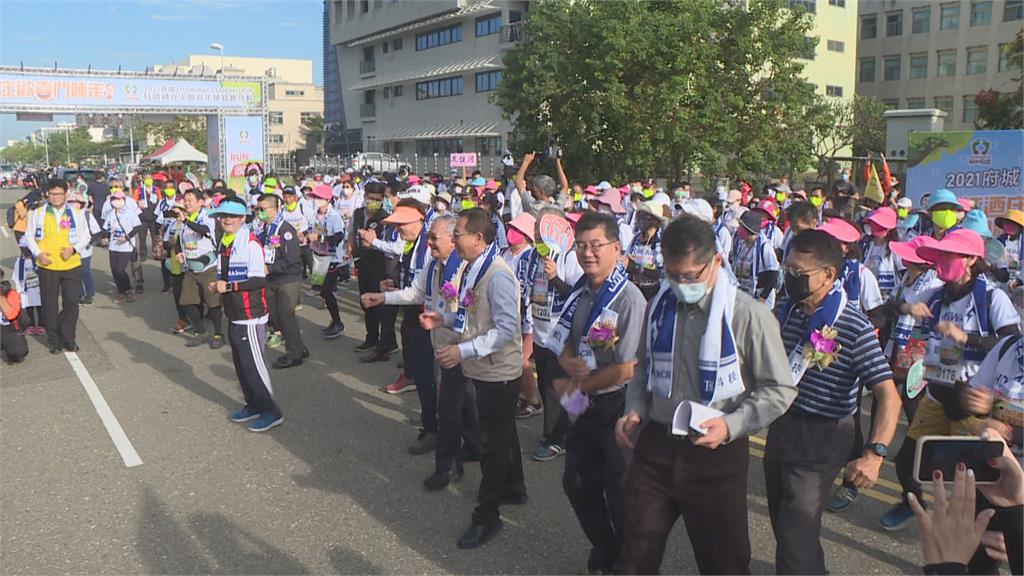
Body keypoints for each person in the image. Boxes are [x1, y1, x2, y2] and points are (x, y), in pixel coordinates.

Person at [616, 214, 796, 575]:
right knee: (636, 550)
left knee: (723, 561)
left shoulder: (748, 315)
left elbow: (780, 389)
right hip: (657, 445)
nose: (681, 284)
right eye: (672, 274)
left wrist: (731, 425)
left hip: (716, 452)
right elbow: (643, 366)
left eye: (690, 275)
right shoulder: (659, 307)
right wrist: (634, 409)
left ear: (716, 261)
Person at [766, 229, 901, 575]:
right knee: (786, 525)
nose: (790, 279)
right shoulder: (787, 309)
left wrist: (874, 454)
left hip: (823, 436)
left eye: (798, 274)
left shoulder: (852, 324)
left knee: (797, 530)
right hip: (783, 425)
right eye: (787, 271)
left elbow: (888, 394)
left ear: (828, 275)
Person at [420, 208, 525, 549]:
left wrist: (462, 352)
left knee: (492, 445)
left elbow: (508, 329)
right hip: (483, 368)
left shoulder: (498, 276)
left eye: (458, 234)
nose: (453, 240)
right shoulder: (471, 269)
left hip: (498, 372)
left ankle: (487, 516)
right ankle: (515, 487)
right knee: (502, 432)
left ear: (479, 239)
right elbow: (469, 316)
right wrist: (444, 320)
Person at [549, 213, 647, 574]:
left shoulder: (629, 299)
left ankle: (627, 558)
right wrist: (568, 361)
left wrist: (575, 386)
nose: (587, 253)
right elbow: (563, 344)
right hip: (584, 402)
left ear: (616, 248)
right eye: (581, 245)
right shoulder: (579, 291)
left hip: (617, 404)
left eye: (596, 245)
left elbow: (628, 367)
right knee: (576, 482)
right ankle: (604, 544)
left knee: (621, 491)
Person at [208, 197, 284, 433]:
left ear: (243, 219)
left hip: (251, 315)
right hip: (234, 313)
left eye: (232, 216)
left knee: (254, 366)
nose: (227, 220)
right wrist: (219, 285)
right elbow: (228, 276)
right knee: (241, 366)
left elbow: (259, 279)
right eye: (223, 216)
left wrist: (229, 287)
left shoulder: (250, 243)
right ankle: (253, 404)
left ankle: (271, 411)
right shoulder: (224, 242)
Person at [530, 208, 586, 462]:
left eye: (542, 228)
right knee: (547, 386)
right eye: (536, 228)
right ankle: (571, 429)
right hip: (539, 333)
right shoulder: (534, 256)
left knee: (557, 389)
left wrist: (554, 278)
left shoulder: (569, 258)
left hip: (560, 336)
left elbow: (578, 296)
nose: (537, 233)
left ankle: (556, 438)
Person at [24, 179, 92, 354]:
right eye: (52, 194)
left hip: (71, 265)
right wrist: (38, 253)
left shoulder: (76, 213)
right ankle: (54, 341)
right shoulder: (37, 213)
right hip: (47, 266)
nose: (56, 197)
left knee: (71, 303)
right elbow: (29, 236)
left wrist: (74, 249)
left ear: (65, 194)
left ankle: (69, 337)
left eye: (59, 194)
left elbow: (86, 236)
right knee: (49, 304)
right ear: (47, 194)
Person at [254, 194, 307, 369]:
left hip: (288, 278)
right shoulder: (264, 229)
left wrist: (270, 268)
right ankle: (299, 346)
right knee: (274, 316)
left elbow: (292, 258)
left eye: (262, 209)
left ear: (274, 209)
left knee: (286, 315)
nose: (259, 212)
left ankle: (294, 354)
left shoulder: (285, 230)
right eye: (257, 209)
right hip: (271, 278)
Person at [351, 182, 400, 360]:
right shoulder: (358, 214)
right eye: (371, 199)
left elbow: (390, 246)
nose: (374, 203)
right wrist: (351, 248)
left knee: (380, 305)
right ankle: (371, 337)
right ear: (365, 197)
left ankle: (386, 343)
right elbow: (352, 234)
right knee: (365, 301)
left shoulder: (385, 218)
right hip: (362, 263)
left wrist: (373, 244)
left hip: (380, 266)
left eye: (378, 200)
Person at [503, 212, 542, 418]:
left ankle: (533, 400)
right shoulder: (505, 253)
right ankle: (523, 394)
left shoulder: (529, 256)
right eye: (511, 228)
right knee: (512, 358)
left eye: (517, 230)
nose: (512, 233)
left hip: (529, 318)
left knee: (522, 360)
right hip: (509, 315)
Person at [176, 189, 225, 350]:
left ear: (200, 202)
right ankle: (200, 330)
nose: (187, 203)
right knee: (187, 301)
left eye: (191, 200)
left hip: (207, 267)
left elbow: (203, 230)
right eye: (185, 200)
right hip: (190, 267)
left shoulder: (208, 216)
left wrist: (186, 221)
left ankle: (218, 334)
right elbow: (180, 240)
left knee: (213, 303)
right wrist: (179, 253)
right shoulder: (185, 220)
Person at [307, 184, 347, 339]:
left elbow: (338, 237)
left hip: (331, 258)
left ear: (328, 199)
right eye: (315, 197)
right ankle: (334, 320)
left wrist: (320, 238)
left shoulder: (334, 217)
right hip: (318, 256)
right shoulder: (315, 215)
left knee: (328, 291)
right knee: (322, 291)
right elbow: (312, 231)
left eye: (319, 198)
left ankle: (338, 323)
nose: (316, 200)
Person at [731, 210, 780, 308]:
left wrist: (762, 297)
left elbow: (773, 275)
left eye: (742, 227)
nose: (739, 229)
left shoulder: (764, 247)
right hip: (744, 295)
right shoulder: (741, 244)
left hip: (760, 298)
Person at [103, 190, 143, 304]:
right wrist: (105, 237)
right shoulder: (111, 213)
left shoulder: (130, 213)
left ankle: (128, 289)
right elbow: (106, 228)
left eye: (119, 199)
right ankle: (121, 292)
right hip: (113, 246)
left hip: (126, 246)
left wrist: (127, 237)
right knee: (114, 270)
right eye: (114, 199)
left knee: (120, 270)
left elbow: (137, 227)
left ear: (124, 200)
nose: (116, 201)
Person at [623, 201, 666, 300]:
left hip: (653, 295)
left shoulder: (662, 242)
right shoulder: (636, 239)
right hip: (634, 292)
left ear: (655, 220)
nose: (641, 219)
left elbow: (662, 274)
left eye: (645, 216)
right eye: (639, 216)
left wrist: (635, 267)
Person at [0, 269, 28, 364]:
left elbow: (11, 315)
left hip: (7, 328)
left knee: (19, 351)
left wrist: (1, 297)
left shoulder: (10, 293)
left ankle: (10, 349)